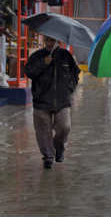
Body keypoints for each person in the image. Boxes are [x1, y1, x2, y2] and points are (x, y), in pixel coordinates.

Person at [24, 35, 80, 169]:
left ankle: (59, 149)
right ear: (44, 40)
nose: (49, 43)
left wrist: (69, 88)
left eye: (52, 40)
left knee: (65, 127)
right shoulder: (37, 56)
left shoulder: (66, 56)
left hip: (62, 100)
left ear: (57, 41)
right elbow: (29, 72)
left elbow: (75, 73)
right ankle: (48, 156)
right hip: (41, 101)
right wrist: (44, 62)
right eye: (47, 40)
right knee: (43, 132)